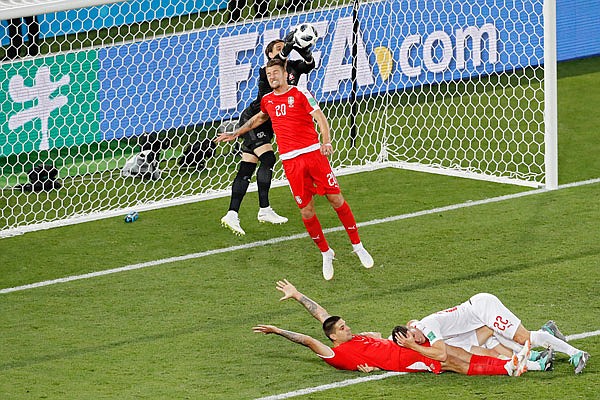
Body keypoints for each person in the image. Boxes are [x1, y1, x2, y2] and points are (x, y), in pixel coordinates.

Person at [216, 58, 373, 279]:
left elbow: (320, 117)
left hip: (313, 155)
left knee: (336, 199)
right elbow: (259, 118)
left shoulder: (300, 93)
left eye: (275, 73)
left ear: (284, 73)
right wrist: (235, 133)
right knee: (306, 211)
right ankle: (326, 253)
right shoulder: (267, 100)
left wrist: (326, 142)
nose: (272, 77)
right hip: (291, 162)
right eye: (269, 74)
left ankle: (357, 246)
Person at [252, 279, 530, 376]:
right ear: (334, 337)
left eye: (346, 325)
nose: (348, 328)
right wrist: (278, 331)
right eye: (344, 328)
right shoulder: (337, 355)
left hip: (399, 346)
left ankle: (508, 363)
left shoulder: (345, 336)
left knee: (455, 354)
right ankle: (508, 365)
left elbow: (322, 315)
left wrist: (298, 295)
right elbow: (308, 340)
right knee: (452, 361)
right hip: (403, 359)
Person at [219, 33, 316, 237]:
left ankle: (232, 214)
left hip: (270, 123)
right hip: (255, 119)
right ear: (270, 55)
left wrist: (303, 49)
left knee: (247, 168)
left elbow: (311, 64)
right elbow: (280, 59)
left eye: (283, 47)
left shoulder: (293, 68)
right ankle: (264, 210)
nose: (282, 50)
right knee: (269, 158)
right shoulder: (267, 73)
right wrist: (289, 45)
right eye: (277, 48)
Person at [391, 293, 589, 374]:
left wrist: (412, 345)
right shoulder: (420, 327)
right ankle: (543, 344)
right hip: (475, 325)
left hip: (481, 308)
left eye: (411, 335)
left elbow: (441, 354)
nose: (415, 339)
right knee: (490, 348)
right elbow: (411, 323)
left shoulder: (427, 327)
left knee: (523, 337)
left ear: (411, 331)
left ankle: (575, 353)